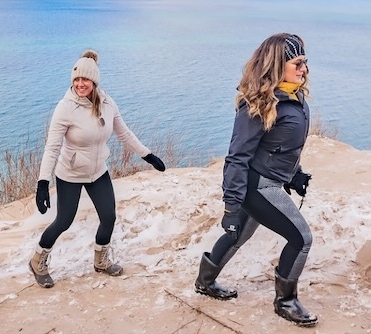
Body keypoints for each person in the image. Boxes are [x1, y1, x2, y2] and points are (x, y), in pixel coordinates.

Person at [194, 33, 318, 327]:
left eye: (305, 62)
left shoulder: (295, 97)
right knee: (301, 238)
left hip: (269, 181)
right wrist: (232, 207)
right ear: (278, 65)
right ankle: (286, 301)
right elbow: (237, 157)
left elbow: (283, 147)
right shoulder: (258, 103)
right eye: (297, 63)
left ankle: (205, 281)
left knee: (240, 236)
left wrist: (295, 175)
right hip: (255, 185)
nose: (304, 69)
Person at [29, 50, 166, 288]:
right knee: (64, 221)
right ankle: (38, 260)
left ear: (94, 81)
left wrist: (148, 155)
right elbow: (52, 147)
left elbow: (124, 133)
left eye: (85, 80)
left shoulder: (107, 102)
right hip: (70, 174)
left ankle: (100, 261)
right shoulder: (65, 108)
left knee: (109, 216)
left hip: (98, 171)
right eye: (76, 80)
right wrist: (43, 183)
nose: (80, 84)